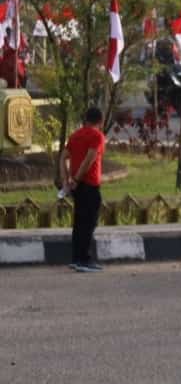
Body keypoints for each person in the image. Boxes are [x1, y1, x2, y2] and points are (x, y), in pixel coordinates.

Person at [62, 106, 107, 272]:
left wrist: (66, 179)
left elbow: (63, 158)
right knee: (89, 222)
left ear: (85, 119)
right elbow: (90, 159)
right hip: (89, 184)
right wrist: (77, 178)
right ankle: (84, 259)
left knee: (79, 222)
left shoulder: (75, 135)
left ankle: (75, 258)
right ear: (100, 122)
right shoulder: (97, 136)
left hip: (77, 186)